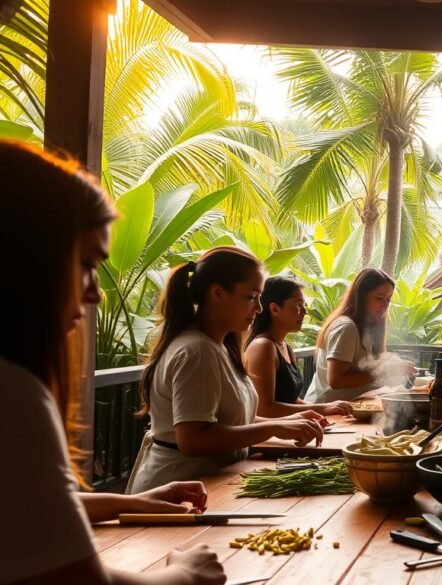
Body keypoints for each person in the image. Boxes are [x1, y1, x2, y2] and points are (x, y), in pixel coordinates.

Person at [0, 140, 225, 584]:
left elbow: (31, 510)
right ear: (26, 257)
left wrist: (138, 500)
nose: (95, 291)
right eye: (86, 263)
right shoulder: (12, 393)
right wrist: (184, 574)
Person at [127, 247, 325, 494]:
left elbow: (230, 420)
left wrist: (288, 421)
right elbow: (193, 439)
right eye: (251, 297)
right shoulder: (197, 351)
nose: (259, 309)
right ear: (218, 293)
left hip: (207, 484)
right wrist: (274, 428)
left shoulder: (219, 347)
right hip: (177, 489)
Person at [244, 276, 353, 418]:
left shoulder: (285, 347)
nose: (304, 312)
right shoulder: (263, 346)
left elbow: (291, 401)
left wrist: (328, 407)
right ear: (275, 309)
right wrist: (322, 408)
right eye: (298, 305)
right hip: (269, 436)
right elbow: (265, 410)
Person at [304, 268, 415, 403]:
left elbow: (371, 372)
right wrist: (384, 370)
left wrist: (396, 368)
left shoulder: (370, 328)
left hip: (354, 405)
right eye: (379, 298)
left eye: (388, 299)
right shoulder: (346, 327)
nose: (385, 305)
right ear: (361, 297)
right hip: (325, 410)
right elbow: (336, 381)